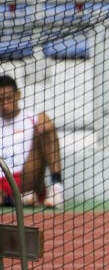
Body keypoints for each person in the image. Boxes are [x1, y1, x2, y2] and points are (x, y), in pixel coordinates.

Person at [0, 75, 64, 208]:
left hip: (26, 178)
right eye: (0, 101)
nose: (5, 105)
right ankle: (15, 200)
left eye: (9, 98)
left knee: (44, 122)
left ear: (18, 95)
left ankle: (57, 188)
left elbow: (45, 128)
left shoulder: (31, 119)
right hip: (1, 183)